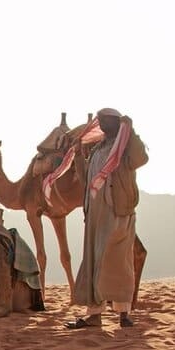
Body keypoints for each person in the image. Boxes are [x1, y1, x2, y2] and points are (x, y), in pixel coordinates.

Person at [65, 108, 148, 329]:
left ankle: (124, 314)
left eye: (105, 120)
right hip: (95, 216)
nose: (100, 124)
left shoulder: (125, 147)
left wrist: (132, 133)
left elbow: (141, 159)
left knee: (120, 263)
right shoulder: (98, 149)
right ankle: (94, 314)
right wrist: (80, 158)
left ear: (116, 122)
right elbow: (87, 181)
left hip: (118, 212)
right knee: (95, 261)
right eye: (99, 120)